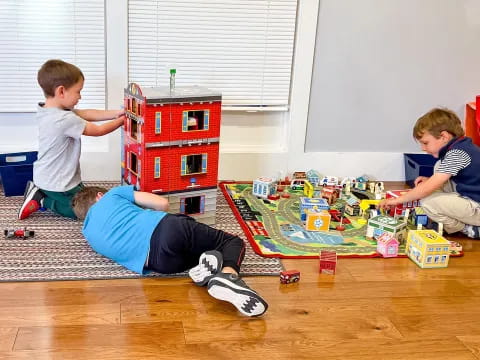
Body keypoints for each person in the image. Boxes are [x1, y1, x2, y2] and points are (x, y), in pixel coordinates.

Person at [71, 185, 269, 317]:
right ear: (99, 196)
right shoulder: (112, 194)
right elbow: (162, 204)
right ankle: (228, 277)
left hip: (160, 264)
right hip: (166, 230)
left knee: (204, 249)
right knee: (232, 242)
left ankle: (204, 267)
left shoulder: (88, 235)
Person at [18, 59, 125, 220]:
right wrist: (124, 120)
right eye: (78, 91)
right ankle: (42, 199)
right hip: (57, 182)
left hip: (51, 176)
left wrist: (116, 113)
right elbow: (98, 130)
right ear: (61, 91)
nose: (80, 96)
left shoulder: (50, 110)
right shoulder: (63, 119)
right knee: (82, 212)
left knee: (87, 197)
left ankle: (44, 192)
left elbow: (87, 114)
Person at [379, 108, 480, 238]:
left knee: (428, 203)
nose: (423, 148)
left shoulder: (457, 153)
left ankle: (468, 229)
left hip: (476, 205)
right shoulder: (461, 148)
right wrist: (430, 181)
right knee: (438, 166)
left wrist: (398, 200)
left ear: (444, 137)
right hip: (472, 196)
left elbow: (425, 190)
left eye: (425, 143)